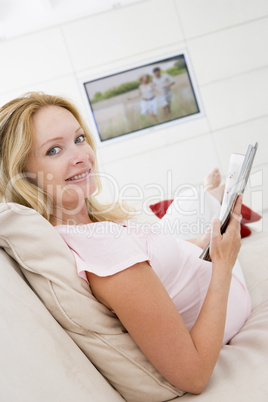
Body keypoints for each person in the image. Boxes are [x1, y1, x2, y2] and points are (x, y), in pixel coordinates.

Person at [0, 92, 251, 395]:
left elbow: (148, 261)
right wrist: (223, 265)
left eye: (80, 139)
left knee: (184, 217)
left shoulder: (86, 226)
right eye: (54, 150)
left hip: (184, 250)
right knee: (192, 204)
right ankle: (209, 195)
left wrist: (203, 245)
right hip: (218, 276)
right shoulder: (103, 251)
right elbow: (194, 376)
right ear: (24, 176)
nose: (81, 156)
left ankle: (209, 198)